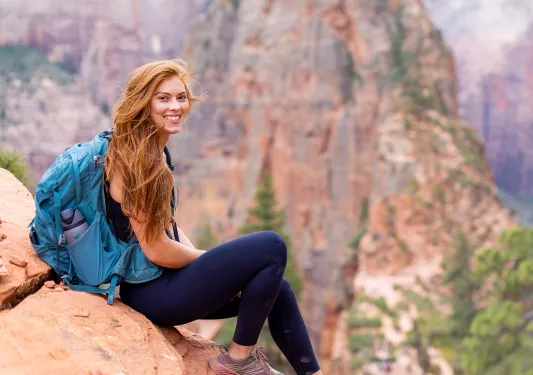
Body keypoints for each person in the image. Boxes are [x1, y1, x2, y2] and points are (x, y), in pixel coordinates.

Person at [103, 59, 322, 375]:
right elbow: (155, 248)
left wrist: (218, 270)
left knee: (278, 287)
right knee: (271, 247)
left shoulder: (150, 150)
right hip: (150, 293)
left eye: (181, 97)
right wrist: (208, 262)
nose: (175, 106)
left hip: (158, 284)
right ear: (142, 103)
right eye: (162, 98)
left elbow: (168, 227)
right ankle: (237, 361)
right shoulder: (136, 162)